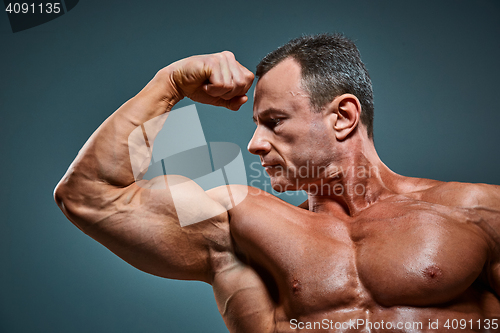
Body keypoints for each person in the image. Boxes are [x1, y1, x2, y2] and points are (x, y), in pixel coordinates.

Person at [54, 34, 500, 332]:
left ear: (343, 117)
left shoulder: (474, 212)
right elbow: (89, 195)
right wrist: (170, 83)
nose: (252, 144)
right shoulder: (241, 226)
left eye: (274, 122)